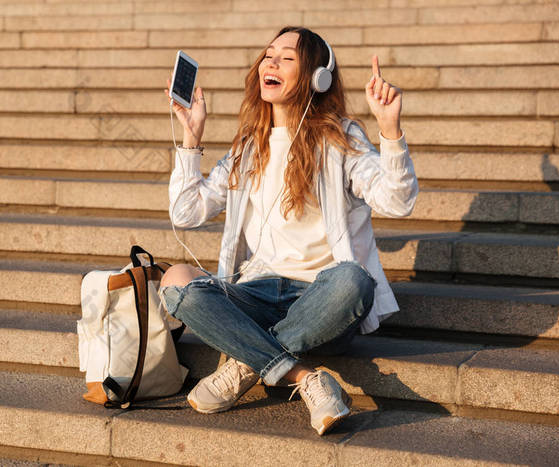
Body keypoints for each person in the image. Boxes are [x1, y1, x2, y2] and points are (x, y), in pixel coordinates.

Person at [160, 26, 418, 436]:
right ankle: (303, 376)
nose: (272, 62)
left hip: (322, 300)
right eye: (269, 54)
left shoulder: (341, 137)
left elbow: (397, 201)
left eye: (287, 57)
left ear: (317, 77)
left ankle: (248, 362)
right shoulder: (248, 145)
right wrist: (191, 139)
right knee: (175, 281)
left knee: (353, 280)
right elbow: (186, 212)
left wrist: (390, 132)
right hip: (257, 293)